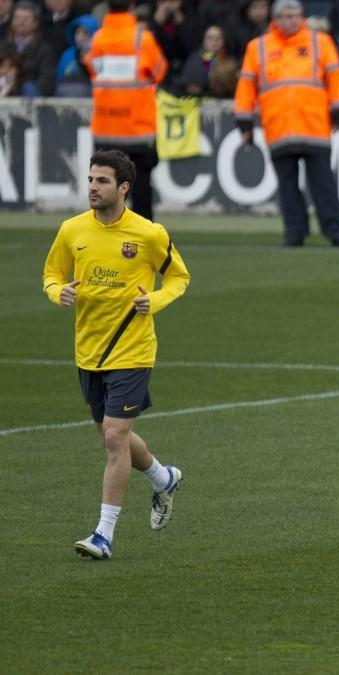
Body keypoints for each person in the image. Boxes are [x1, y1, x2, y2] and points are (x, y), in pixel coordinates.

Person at [42, 150, 190, 561]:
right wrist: (58, 291)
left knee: (114, 436)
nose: (92, 187)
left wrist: (154, 301)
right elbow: (52, 274)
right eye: (91, 179)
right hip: (89, 350)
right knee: (111, 436)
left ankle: (103, 535)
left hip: (132, 349)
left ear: (123, 188)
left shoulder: (148, 234)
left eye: (102, 181)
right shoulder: (72, 230)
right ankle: (163, 478)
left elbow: (179, 277)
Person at [234, 0, 339, 248]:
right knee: (287, 186)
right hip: (279, 127)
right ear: (275, 19)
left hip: (314, 125)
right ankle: (295, 234)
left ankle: (337, 233)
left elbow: (336, 78)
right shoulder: (258, 47)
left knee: (323, 185)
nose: (293, 20)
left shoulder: (320, 42)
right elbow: (246, 87)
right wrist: (244, 122)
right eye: (287, 16)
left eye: (297, 15)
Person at [85, 0, 167, 222]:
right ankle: (143, 234)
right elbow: (160, 71)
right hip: (137, 127)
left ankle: (104, 231)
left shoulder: (97, 39)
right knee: (140, 186)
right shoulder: (142, 39)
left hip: (106, 126)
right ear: (131, 7)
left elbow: (91, 69)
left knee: (104, 185)